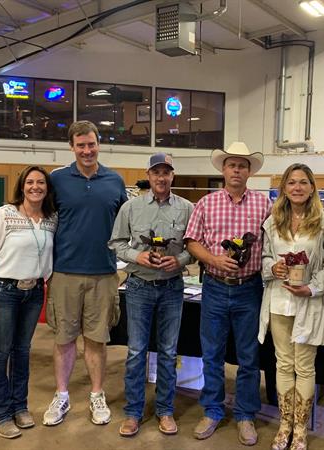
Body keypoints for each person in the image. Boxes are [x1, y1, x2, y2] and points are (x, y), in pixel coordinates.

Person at [184, 142, 271, 446]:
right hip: (216, 288)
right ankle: (212, 410)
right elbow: (192, 241)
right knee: (212, 354)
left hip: (250, 288)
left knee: (249, 356)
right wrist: (212, 259)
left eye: (242, 166)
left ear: (249, 172)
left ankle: (246, 414)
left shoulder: (264, 205)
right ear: (223, 170)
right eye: (232, 165)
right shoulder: (206, 204)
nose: (237, 170)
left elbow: (274, 242)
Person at [43, 120, 127, 427]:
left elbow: (126, 224)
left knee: (96, 339)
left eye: (91, 144)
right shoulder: (57, 180)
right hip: (64, 272)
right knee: (64, 338)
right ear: (72, 147)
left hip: (104, 274)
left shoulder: (115, 181)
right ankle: (62, 395)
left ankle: (96, 395)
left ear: (98, 144)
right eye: (81, 145)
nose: (87, 150)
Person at [109, 152, 194, 437]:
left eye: (166, 172)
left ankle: (165, 410)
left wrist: (179, 260)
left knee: (169, 353)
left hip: (172, 288)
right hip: (138, 287)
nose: (161, 177)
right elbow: (117, 243)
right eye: (156, 172)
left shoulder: (186, 208)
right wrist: (139, 256)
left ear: (173, 176)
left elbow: (194, 247)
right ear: (148, 175)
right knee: (136, 353)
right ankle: (133, 413)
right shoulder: (130, 208)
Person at [259, 163, 324, 450]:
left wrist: (313, 287)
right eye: (291, 182)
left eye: (303, 182)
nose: (297, 187)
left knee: (305, 367)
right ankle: (284, 425)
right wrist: (273, 268)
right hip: (279, 302)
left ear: (312, 187)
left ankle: (301, 429)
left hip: (309, 303)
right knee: (283, 364)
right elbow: (264, 259)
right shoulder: (272, 222)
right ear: (284, 189)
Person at [0, 166, 57, 439]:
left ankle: (19, 406)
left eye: (41, 182)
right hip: (3, 290)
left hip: (33, 292)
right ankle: (0, 414)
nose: (36, 187)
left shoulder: (51, 218)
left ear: (47, 188)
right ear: (22, 186)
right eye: (30, 182)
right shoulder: (4, 214)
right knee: (0, 353)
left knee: (22, 352)